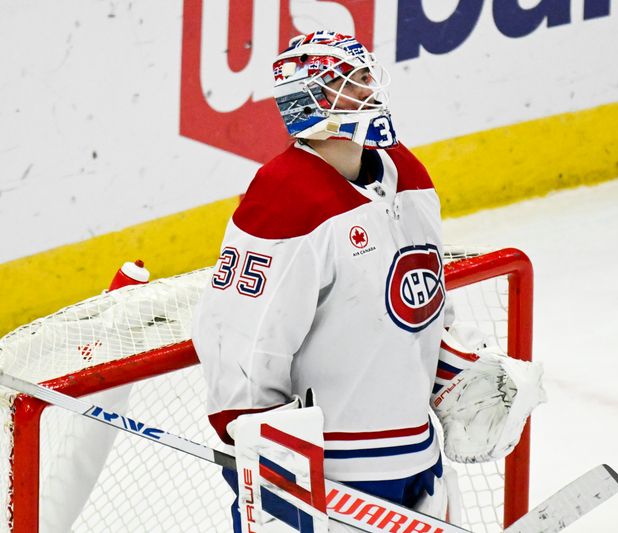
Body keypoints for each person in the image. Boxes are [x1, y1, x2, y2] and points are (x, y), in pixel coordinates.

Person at [192, 31, 544, 532]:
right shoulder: (284, 197)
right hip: (333, 475)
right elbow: (242, 337)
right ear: (310, 98)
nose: (370, 91)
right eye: (351, 82)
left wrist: (452, 371)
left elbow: (421, 305)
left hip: (418, 458)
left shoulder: (407, 173)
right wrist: (265, 449)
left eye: (366, 77)